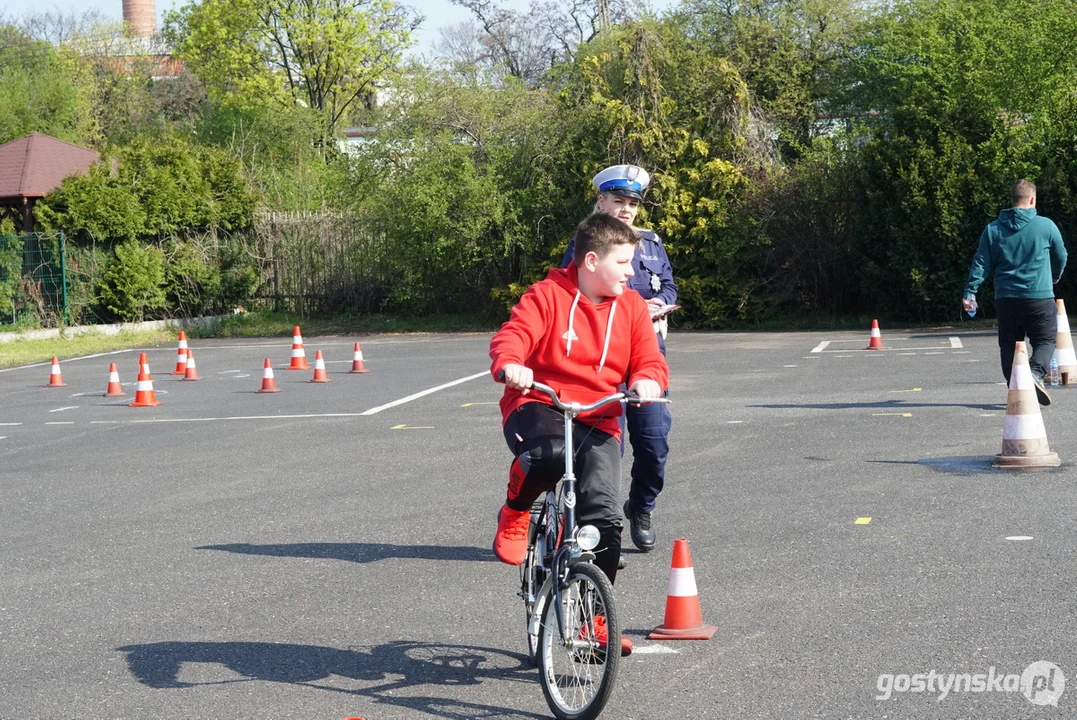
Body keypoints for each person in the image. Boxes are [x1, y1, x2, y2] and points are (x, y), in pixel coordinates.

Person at [490, 212, 670, 655]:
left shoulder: (629, 308)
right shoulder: (547, 296)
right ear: (592, 261)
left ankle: (595, 622)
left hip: (599, 414)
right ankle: (515, 509)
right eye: (624, 263)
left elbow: (650, 359)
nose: (633, 273)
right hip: (540, 402)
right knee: (549, 455)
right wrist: (512, 363)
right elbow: (512, 335)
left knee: (606, 520)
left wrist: (648, 379)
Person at [561, 164, 676, 553]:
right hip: (599, 357)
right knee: (603, 452)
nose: (626, 209)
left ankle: (640, 507)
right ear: (601, 201)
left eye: (632, 203)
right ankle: (602, 530)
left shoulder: (652, 243)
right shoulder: (582, 245)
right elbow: (566, 297)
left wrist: (659, 303)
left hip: (645, 356)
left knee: (654, 441)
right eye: (618, 201)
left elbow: (670, 286)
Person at [964, 179, 1068, 405]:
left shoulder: (992, 229)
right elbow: (1061, 255)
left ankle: (1016, 386)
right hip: (1039, 297)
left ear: (1011, 201)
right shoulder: (1046, 226)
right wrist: (1055, 275)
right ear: (1032, 199)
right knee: (1044, 340)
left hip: (1006, 298)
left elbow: (981, 262)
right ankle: (1035, 373)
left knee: (1009, 344)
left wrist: (970, 292)